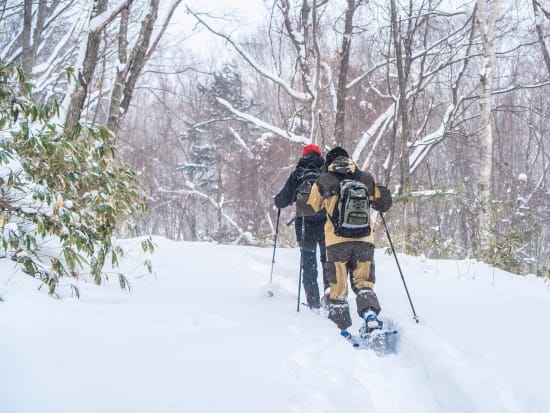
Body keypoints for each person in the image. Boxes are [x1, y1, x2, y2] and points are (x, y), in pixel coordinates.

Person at [306, 146, 392, 332]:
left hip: (336, 243)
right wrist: (381, 191)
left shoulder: (325, 180)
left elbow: (310, 207)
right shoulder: (365, 178)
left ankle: (340, 330)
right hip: (364, 241)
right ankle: (370, 315)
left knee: (338, 288)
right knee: (364, 283)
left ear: (329, 162)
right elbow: (383, 204)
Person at [274, 144, 328, 309]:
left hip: (305, 226)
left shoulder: (297, 174)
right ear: (320, 155)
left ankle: (312, 301)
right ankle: (330, 296)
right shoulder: (325, 174)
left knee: (309, 264)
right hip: (326, 225)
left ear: (304, 156)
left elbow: (282, 200)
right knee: (328, 262)